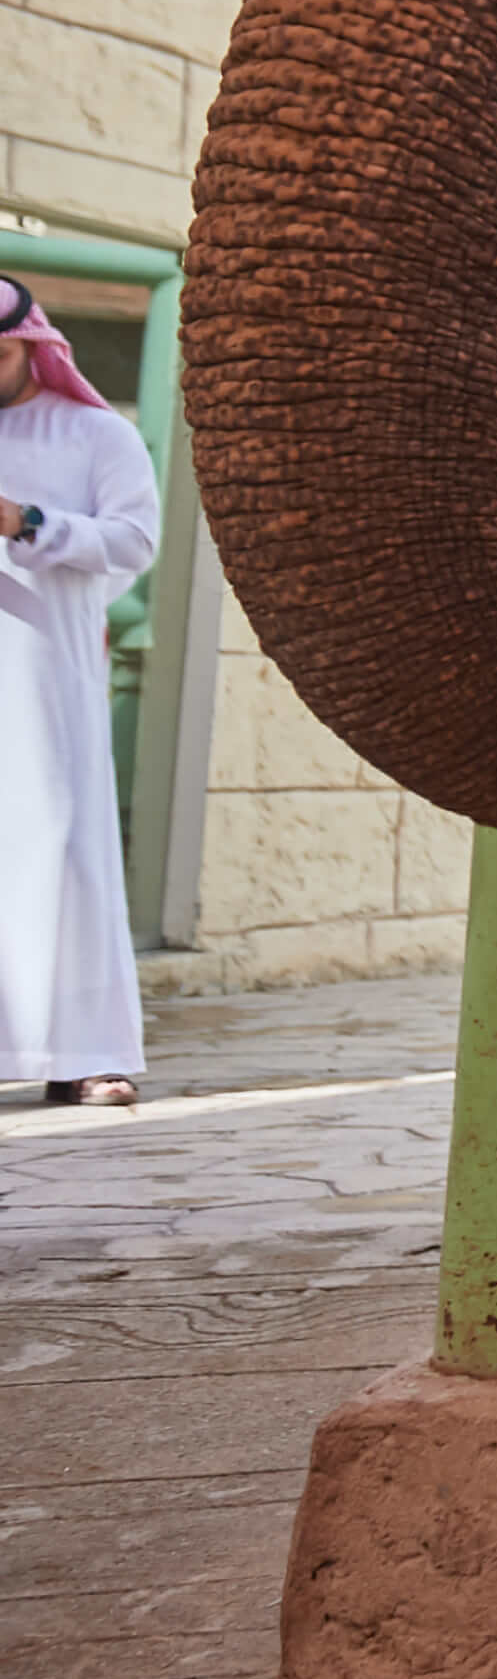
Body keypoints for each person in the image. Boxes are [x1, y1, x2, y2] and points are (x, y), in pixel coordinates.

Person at [3, 278, 158, 1110]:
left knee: (63, 850)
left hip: (45, 679)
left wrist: (27, 522)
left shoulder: (97, 434)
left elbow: (136, 538)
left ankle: (84, 1054)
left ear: (33, 345)